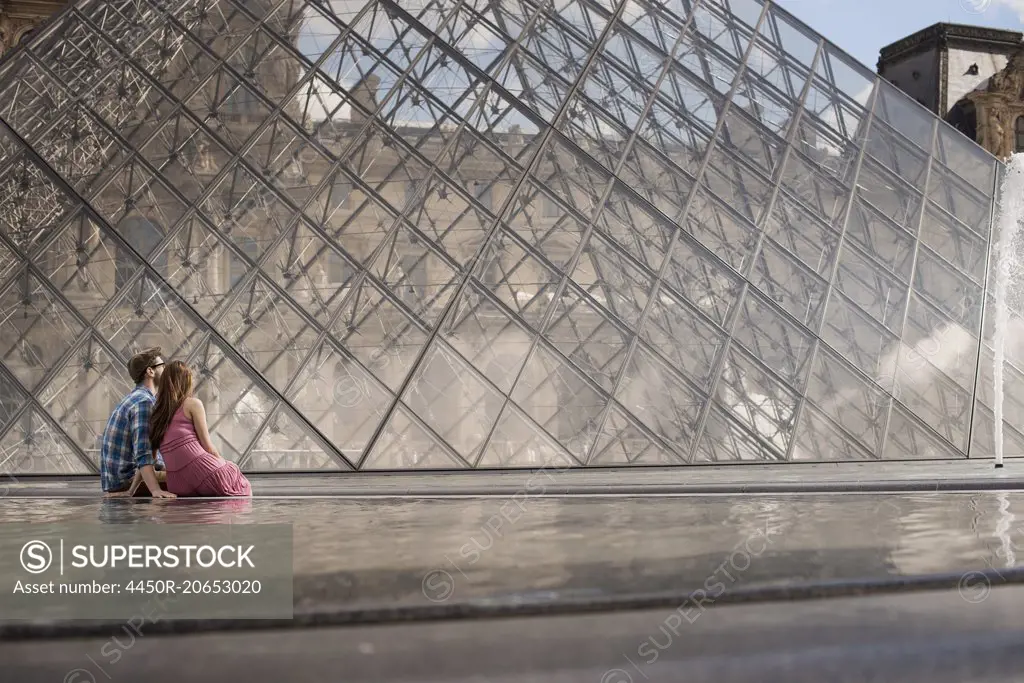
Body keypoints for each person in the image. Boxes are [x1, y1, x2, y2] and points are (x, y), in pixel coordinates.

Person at [147, 361, 252, 497]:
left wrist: (138, 489)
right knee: (239, 479)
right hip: (206, 472)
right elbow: (208, 446)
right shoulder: (192, 404)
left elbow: (149, 458)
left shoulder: (156, 414)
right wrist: (224, 463)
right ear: (186, 382)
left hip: (177, 484)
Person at [100, 347, 176, 498]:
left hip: (123, 479)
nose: (166, 369)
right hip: (127, 481)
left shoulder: (136, 398)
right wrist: (155, 490)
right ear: (150, 371)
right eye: (163, 366)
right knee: (195, 478)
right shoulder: (143, 403)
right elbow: (143, 452)